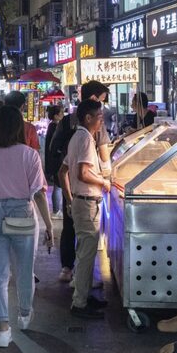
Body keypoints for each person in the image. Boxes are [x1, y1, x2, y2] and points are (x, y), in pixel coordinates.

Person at [0, 106, 54, 347]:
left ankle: (3, 329)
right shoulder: (30, 155)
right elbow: (39, 194)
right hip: (22, 214)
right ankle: (25, 315)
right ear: (20, 127)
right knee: (25, 270)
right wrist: (49, 225)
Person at [49, 80, 111, 283]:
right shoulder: (93, 126)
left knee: (70, 227)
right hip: (85, 189)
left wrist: (67, 196)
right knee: (86, 237)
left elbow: (55, 152)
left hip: (69, 184)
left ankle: (67, 268)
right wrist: (104, 178)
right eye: (102, 100)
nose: (102, 105)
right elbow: (103, 157)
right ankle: (81, 287)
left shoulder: (68, 121)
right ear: (93, 99)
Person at [62, 99, 111, 319]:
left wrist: (69, 198)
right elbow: (83, 173)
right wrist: (103, 182)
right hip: (87, 203)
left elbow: (63, 171)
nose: (102, 121)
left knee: (86, 253)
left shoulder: (78, 137)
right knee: (85, 255)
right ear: (88, 118)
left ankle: (85, 295)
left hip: (81, 201)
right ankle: (79, 304)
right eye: (99, 117)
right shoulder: (85, 139)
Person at [43, 105, 65, 218]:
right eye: (61, 113)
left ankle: (56, 210)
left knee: (58, 186)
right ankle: (56, 211)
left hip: (53, 160)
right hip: (56, 161)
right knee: (58, 186)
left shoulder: (52, 126)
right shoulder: (55, 127)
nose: (63, 115)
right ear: (56, 116)